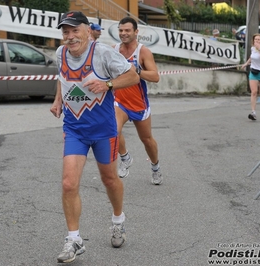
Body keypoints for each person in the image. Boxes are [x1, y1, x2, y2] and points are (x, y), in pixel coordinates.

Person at [50, 11, 139, 263]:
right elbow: (62, 78)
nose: (70, 37)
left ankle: (118, 219)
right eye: (65, 32)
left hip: (103, 130)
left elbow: (133, 75)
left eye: (75, 30)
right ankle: (74, 239)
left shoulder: (103, 53)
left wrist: (108, 85)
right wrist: (58, 101)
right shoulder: (60, 53)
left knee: (109, 179)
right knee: (68, 183)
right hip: (75, 129)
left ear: (88, 31)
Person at [113, 17, 162, 184]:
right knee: (113, 129)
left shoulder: (143, 51)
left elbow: (155, 76)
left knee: (147, 140)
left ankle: (155, 167)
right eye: (121, 30)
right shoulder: (114, 50)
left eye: (127, 30)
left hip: (139, 104)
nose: (123, 33)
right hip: (119, 101)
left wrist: (136, 71)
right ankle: (125, 157)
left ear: (136, 32)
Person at [241, 33, 260, 121]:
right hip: (253, 72)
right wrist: (246, 63)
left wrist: (259, 49)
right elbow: (251, 57)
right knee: (254, 92)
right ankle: (253, 112)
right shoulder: (252, 48)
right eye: (255, 39)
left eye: (258, 40)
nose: (256, 41)